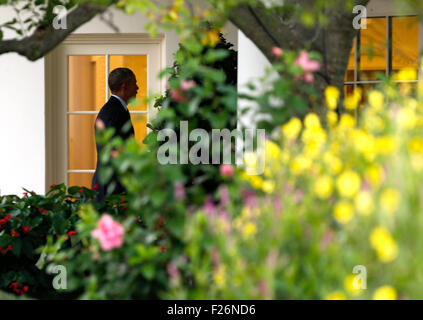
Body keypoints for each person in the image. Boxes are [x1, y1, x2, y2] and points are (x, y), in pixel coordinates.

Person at [91, 68, 139, 202]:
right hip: (110, 187)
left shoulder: (116, 109)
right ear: (125, 86)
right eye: (134, 83)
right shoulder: (113, 112)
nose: (137, 87)